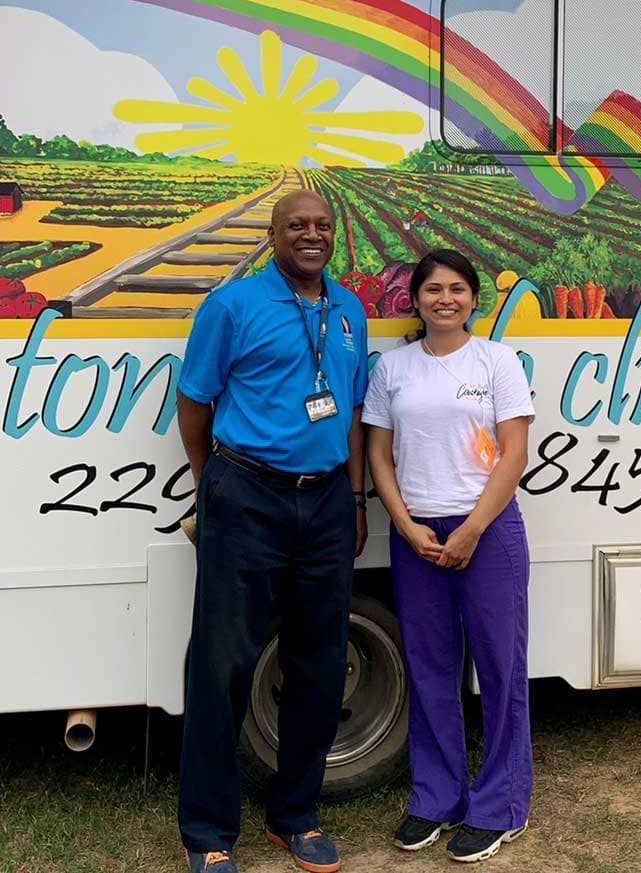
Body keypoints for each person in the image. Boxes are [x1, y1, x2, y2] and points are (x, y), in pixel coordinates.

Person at [176, 189, 368, 873]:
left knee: (318, 662)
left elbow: (347, 405)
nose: (310, 234)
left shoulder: (349, 310)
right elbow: (194, 400)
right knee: (222, 665)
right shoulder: (231, 306)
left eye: (321, 224)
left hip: (324, 502)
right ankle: (207, 830)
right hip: (246, 493)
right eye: (296, 225)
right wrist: (214, 483)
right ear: (273, 233)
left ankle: (295, 815)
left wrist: (353, 495)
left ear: (333, 234)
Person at [363, 249, 534, 864]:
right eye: (433, 289)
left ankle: (501, 807)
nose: (445, 299)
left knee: (500, 670)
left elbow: (513, 452)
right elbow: (378, 453)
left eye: (458, 289)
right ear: (414, 297)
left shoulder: (497, 361)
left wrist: (472, 529)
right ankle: (436, 799)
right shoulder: (393, 368)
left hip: (487, 533)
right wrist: (406, 526)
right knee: (431, 670)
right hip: (419, 539)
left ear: (473, 298)